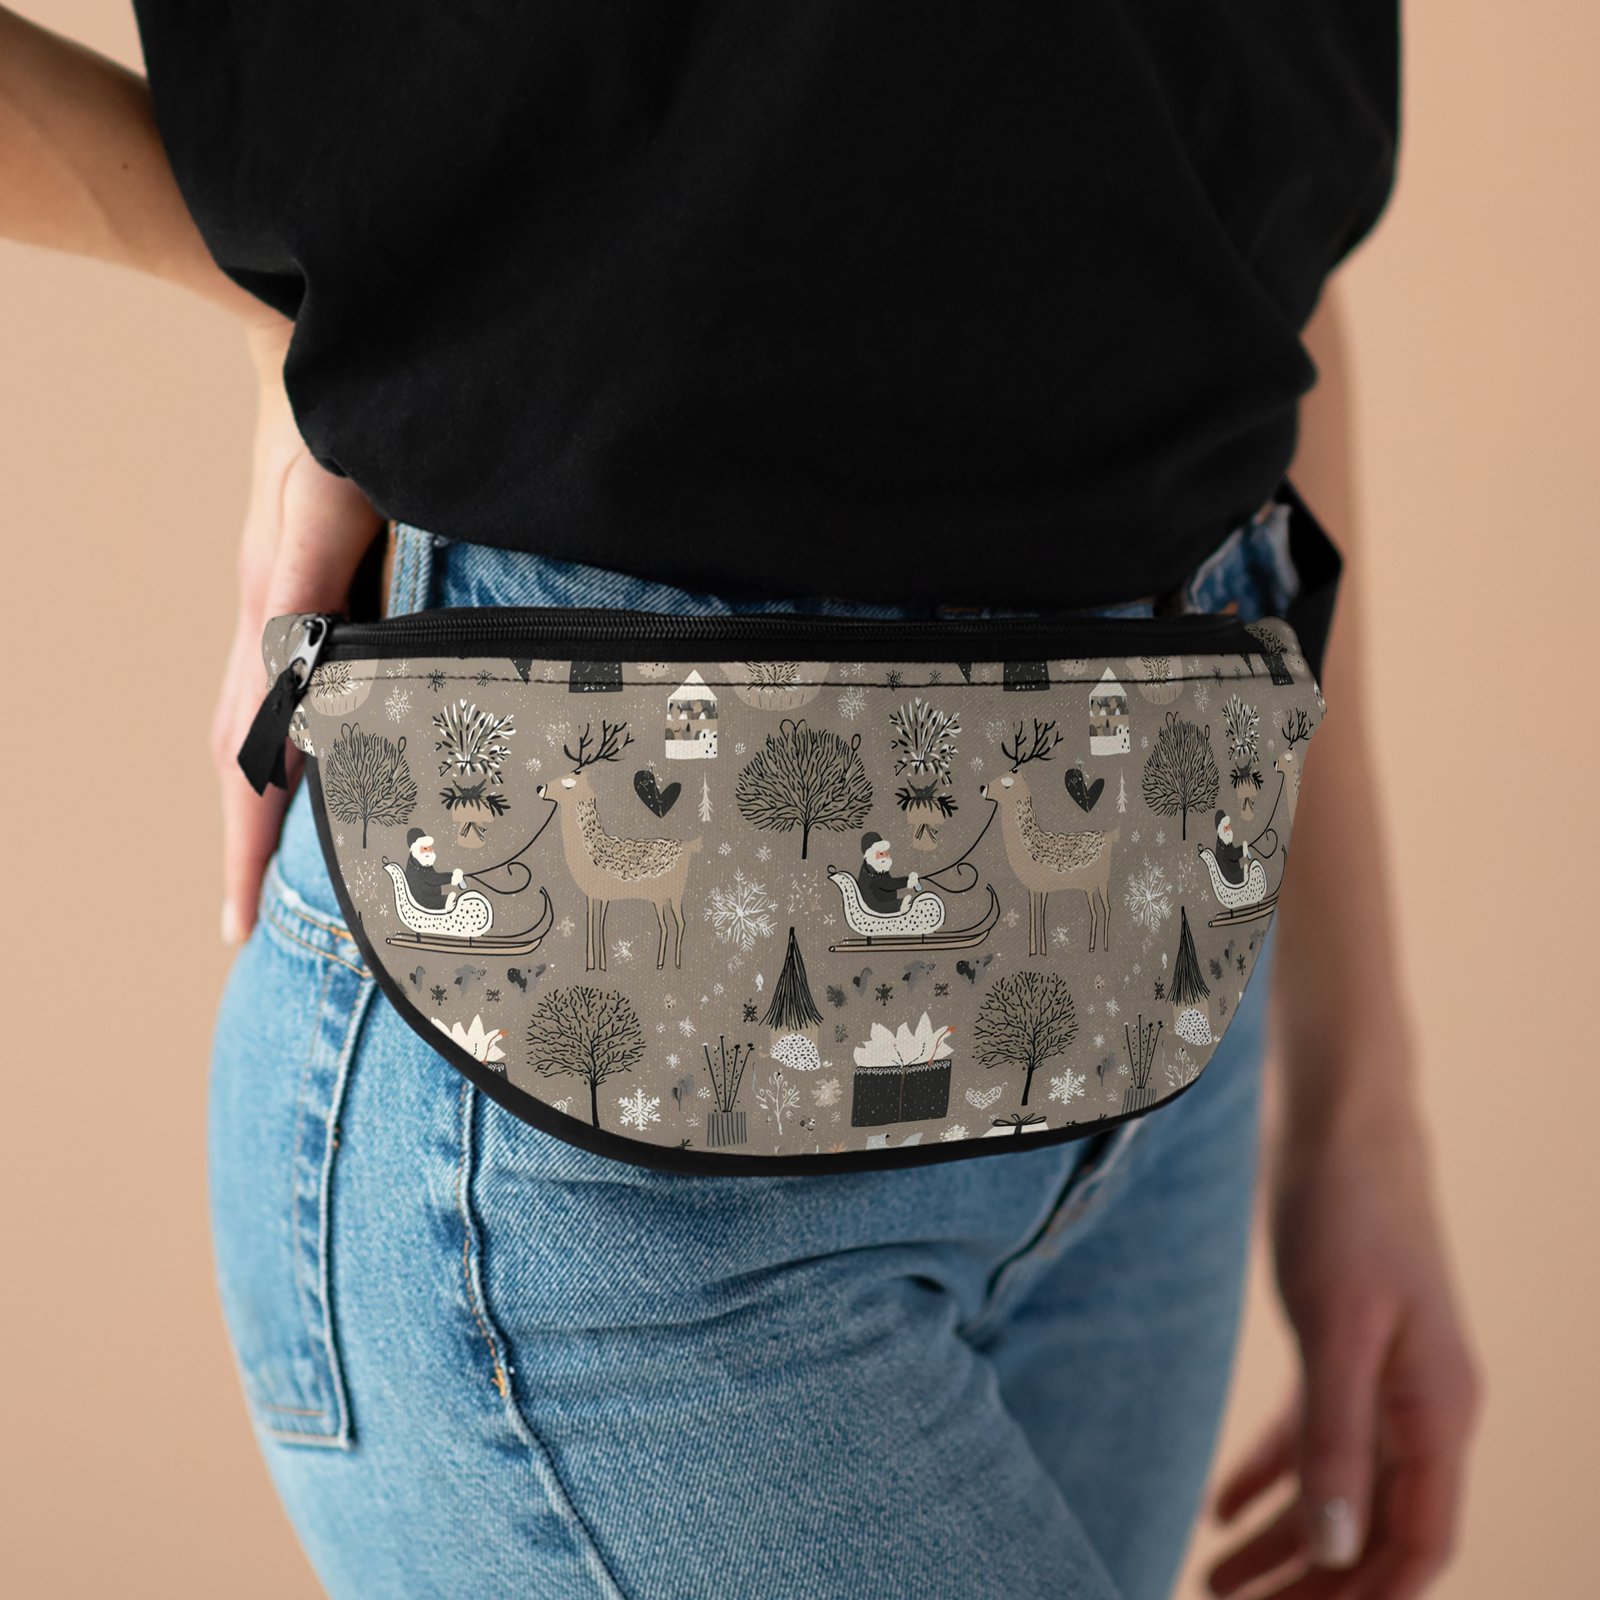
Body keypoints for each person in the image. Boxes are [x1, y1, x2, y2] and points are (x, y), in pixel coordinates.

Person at [1, 7, 1483, 1599]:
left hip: (1166, 986)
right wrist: (285, 311)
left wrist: (1360, 1104)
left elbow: (1244, 216)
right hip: (601, 1126)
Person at [858, 831, 922, 915]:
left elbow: (889, 882)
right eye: (881, 854)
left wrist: (908, 880)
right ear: (871, 855)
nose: (886, 856)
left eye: (886, 853)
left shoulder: (878, 866)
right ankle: (899, 905)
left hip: (884, 899)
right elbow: (888, 884)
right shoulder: (871, 871)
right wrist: (907, 882)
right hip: (877, 905)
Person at [402, 829, 464, 912]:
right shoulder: (417, 866)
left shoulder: (421, 861)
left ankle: (445, 902)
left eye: (430, 848)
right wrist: (451, 879)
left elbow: (434, 876)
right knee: (444, 901)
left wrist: (452, 875)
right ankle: (444, 903)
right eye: (425, 848)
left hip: (430, 896)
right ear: (416, 849)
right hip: (423, 900)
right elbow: (433, 879)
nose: (429, 851)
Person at [1212, 812, 1252, 887]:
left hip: (1233, 873)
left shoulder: (1225, 840)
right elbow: (1233, 855)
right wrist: (1243, 850)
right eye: (1226, 828)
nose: (1229, 830)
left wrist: (1242, 848)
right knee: (1250, 871)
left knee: (1250, 870)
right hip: (1231, 878)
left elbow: (1233, 852)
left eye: (1229, 827)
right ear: (1221, 830)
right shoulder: (1223, 844)